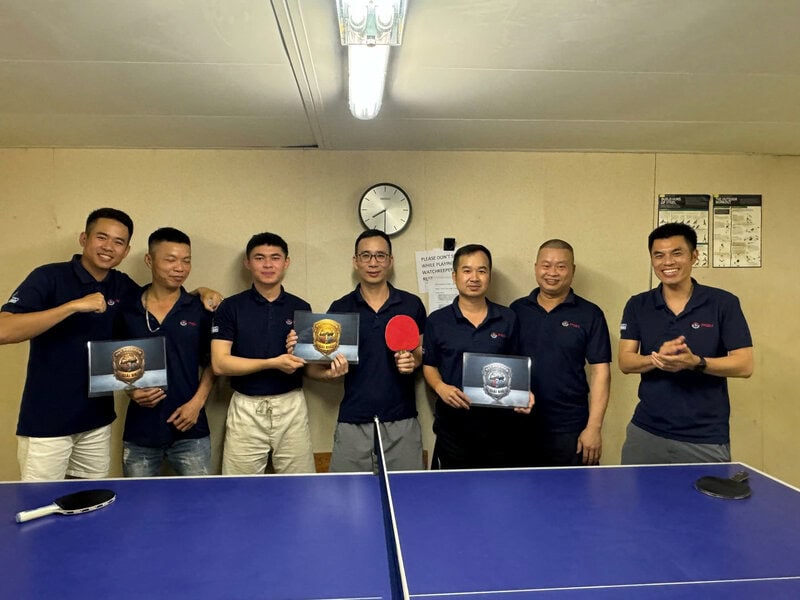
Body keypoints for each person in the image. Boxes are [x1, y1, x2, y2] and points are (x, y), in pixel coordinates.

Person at [0, 209, 223, 482]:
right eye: (101, 237)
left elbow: (163, 297)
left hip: (96, 421)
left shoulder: (123, 288)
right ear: (84, 238)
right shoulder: (49, 277)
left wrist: (201, 292)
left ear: (126, 250)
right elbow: (4, 330)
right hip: (46, 419)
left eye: (118, 242)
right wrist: (72, 306)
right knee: (40, 500)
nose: (109, 247)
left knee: (91, 500)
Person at [618, 222, 754, 464]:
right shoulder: (638, 304)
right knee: (636, 490)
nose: (667, 262)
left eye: (676, 253)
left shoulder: (723, 303)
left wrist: (695, 362)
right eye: (659, 255)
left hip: (705, 437)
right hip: (646, 432)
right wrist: (657, 359)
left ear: (694, 256)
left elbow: (744, 365)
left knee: (707, 491)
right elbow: (625, 362)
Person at [211, 232, 344, 474]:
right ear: (247, 263)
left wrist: (328, 374)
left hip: (291, 405)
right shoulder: (230, 307)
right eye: (259, 258)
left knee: (299, 484)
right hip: (246, 407)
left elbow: (306, 366)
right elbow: (220, 364)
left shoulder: (300, 307)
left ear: (286, 262)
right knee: (240, 488)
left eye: (275, 257)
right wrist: (272, 363)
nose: (268, 264)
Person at [305, 230, 427, 472]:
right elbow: (312, 367)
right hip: (353, 419)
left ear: (390, 261)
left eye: (380, 256)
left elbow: (421, 351)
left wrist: (413, 361)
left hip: (402, 419)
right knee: (346, 493)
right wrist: (329, 374)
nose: (373, 262)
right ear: (356, 261)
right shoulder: (340, 308)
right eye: (366, 255)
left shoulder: (411, 304)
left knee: (406, 492)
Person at [114, 227, 215, 476]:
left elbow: (214, 362)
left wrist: (197, 403)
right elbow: (113, 361)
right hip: (140, 431)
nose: (179, 268)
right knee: (139, 499)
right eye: (170, 259)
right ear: (149, 260)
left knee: (200, 498)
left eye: (186, 260)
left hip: (191, 428)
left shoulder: (199, 308)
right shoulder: (127, 308)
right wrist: (130, 390)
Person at [422, 244, 533, 469]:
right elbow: (429, 365)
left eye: (481, 271)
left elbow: (518, 366)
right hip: (453, 430)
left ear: (489, 276)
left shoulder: (508, 318)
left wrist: (524, 394)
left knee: (497, 489)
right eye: (467, 270)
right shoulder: (437, 320)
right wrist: (440, 387)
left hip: (499, 431)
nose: (474, 277)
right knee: (452, 489)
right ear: (454, 276)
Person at [510, 239, 611, 466]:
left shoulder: (590, 314)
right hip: (521, 424)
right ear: (536, 267)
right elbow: (506, 362)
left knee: (574, 488)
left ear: (572, 270)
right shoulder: (516, 310)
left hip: (570, 427)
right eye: (546, 265)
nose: (552, 273)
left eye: (561, 266)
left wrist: (594, 428)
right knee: (521, 487)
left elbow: (600, 372)